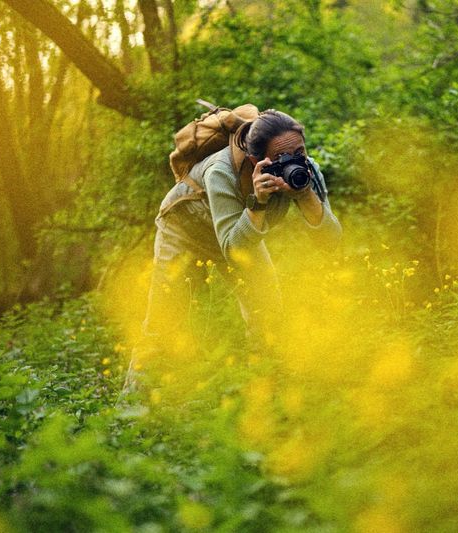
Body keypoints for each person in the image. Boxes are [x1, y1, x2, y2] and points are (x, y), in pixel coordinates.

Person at [128, 109, 342, 384]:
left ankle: (266, 397)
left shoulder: (307, 169)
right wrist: (259, 201)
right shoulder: (222, 170)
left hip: (239, 230)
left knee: (268, 315)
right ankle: (129, 414)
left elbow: (332, 240)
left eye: (298, 152)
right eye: (279, 159)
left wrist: (306, 194)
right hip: (185, 229)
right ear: (256, 160)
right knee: (164, 322)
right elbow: (232, 249)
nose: (292, 162)